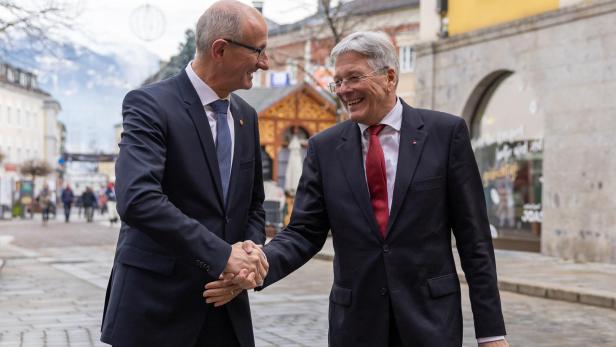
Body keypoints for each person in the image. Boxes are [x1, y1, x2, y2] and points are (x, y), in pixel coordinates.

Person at [206, 31, 509, 346]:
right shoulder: (324, 148)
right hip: (356, 325)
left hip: (430, 322)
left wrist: (492, 333)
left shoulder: (445, 134)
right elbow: (303, 233)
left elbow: (475, 241)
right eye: (338, 81)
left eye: (353, 78)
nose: (344, 90)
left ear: (389, 77)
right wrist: (257, 268)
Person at [100, 1, 270, 346]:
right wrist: (222, 256)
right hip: (157, 310)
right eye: (259, 51)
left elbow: (253, 205)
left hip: (226, 309)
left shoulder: (246, 116)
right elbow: (138, 200)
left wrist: (248, 260)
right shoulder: (149, 104)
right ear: (220, 49)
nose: (265, 62)